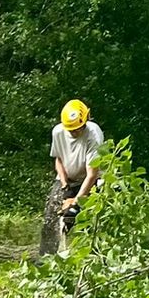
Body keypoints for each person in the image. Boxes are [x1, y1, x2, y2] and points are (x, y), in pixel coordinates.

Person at [42, 99, 103, 257]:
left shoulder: (93, 134)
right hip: (67, 179)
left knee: (93, 219)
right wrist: (65, 188)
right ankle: (47, 258)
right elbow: (59, 160)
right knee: (51, 217)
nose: (74, 133)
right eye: (71, 130)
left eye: (77, 129)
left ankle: (95, 257)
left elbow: (92, 174)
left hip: (91, 180)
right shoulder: (58, 132)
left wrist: (76, 203)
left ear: (86, 121)